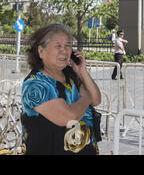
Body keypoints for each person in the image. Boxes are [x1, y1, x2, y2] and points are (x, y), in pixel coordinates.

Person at [21, 23, 102, 155]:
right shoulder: (35, 84)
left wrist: (82, 72)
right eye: (58, 46)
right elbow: (69, 117)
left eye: (68, 46)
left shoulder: (71, 74)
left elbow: (96, 99)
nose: (64, 51)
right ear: (41, 51)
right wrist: (85, 97)